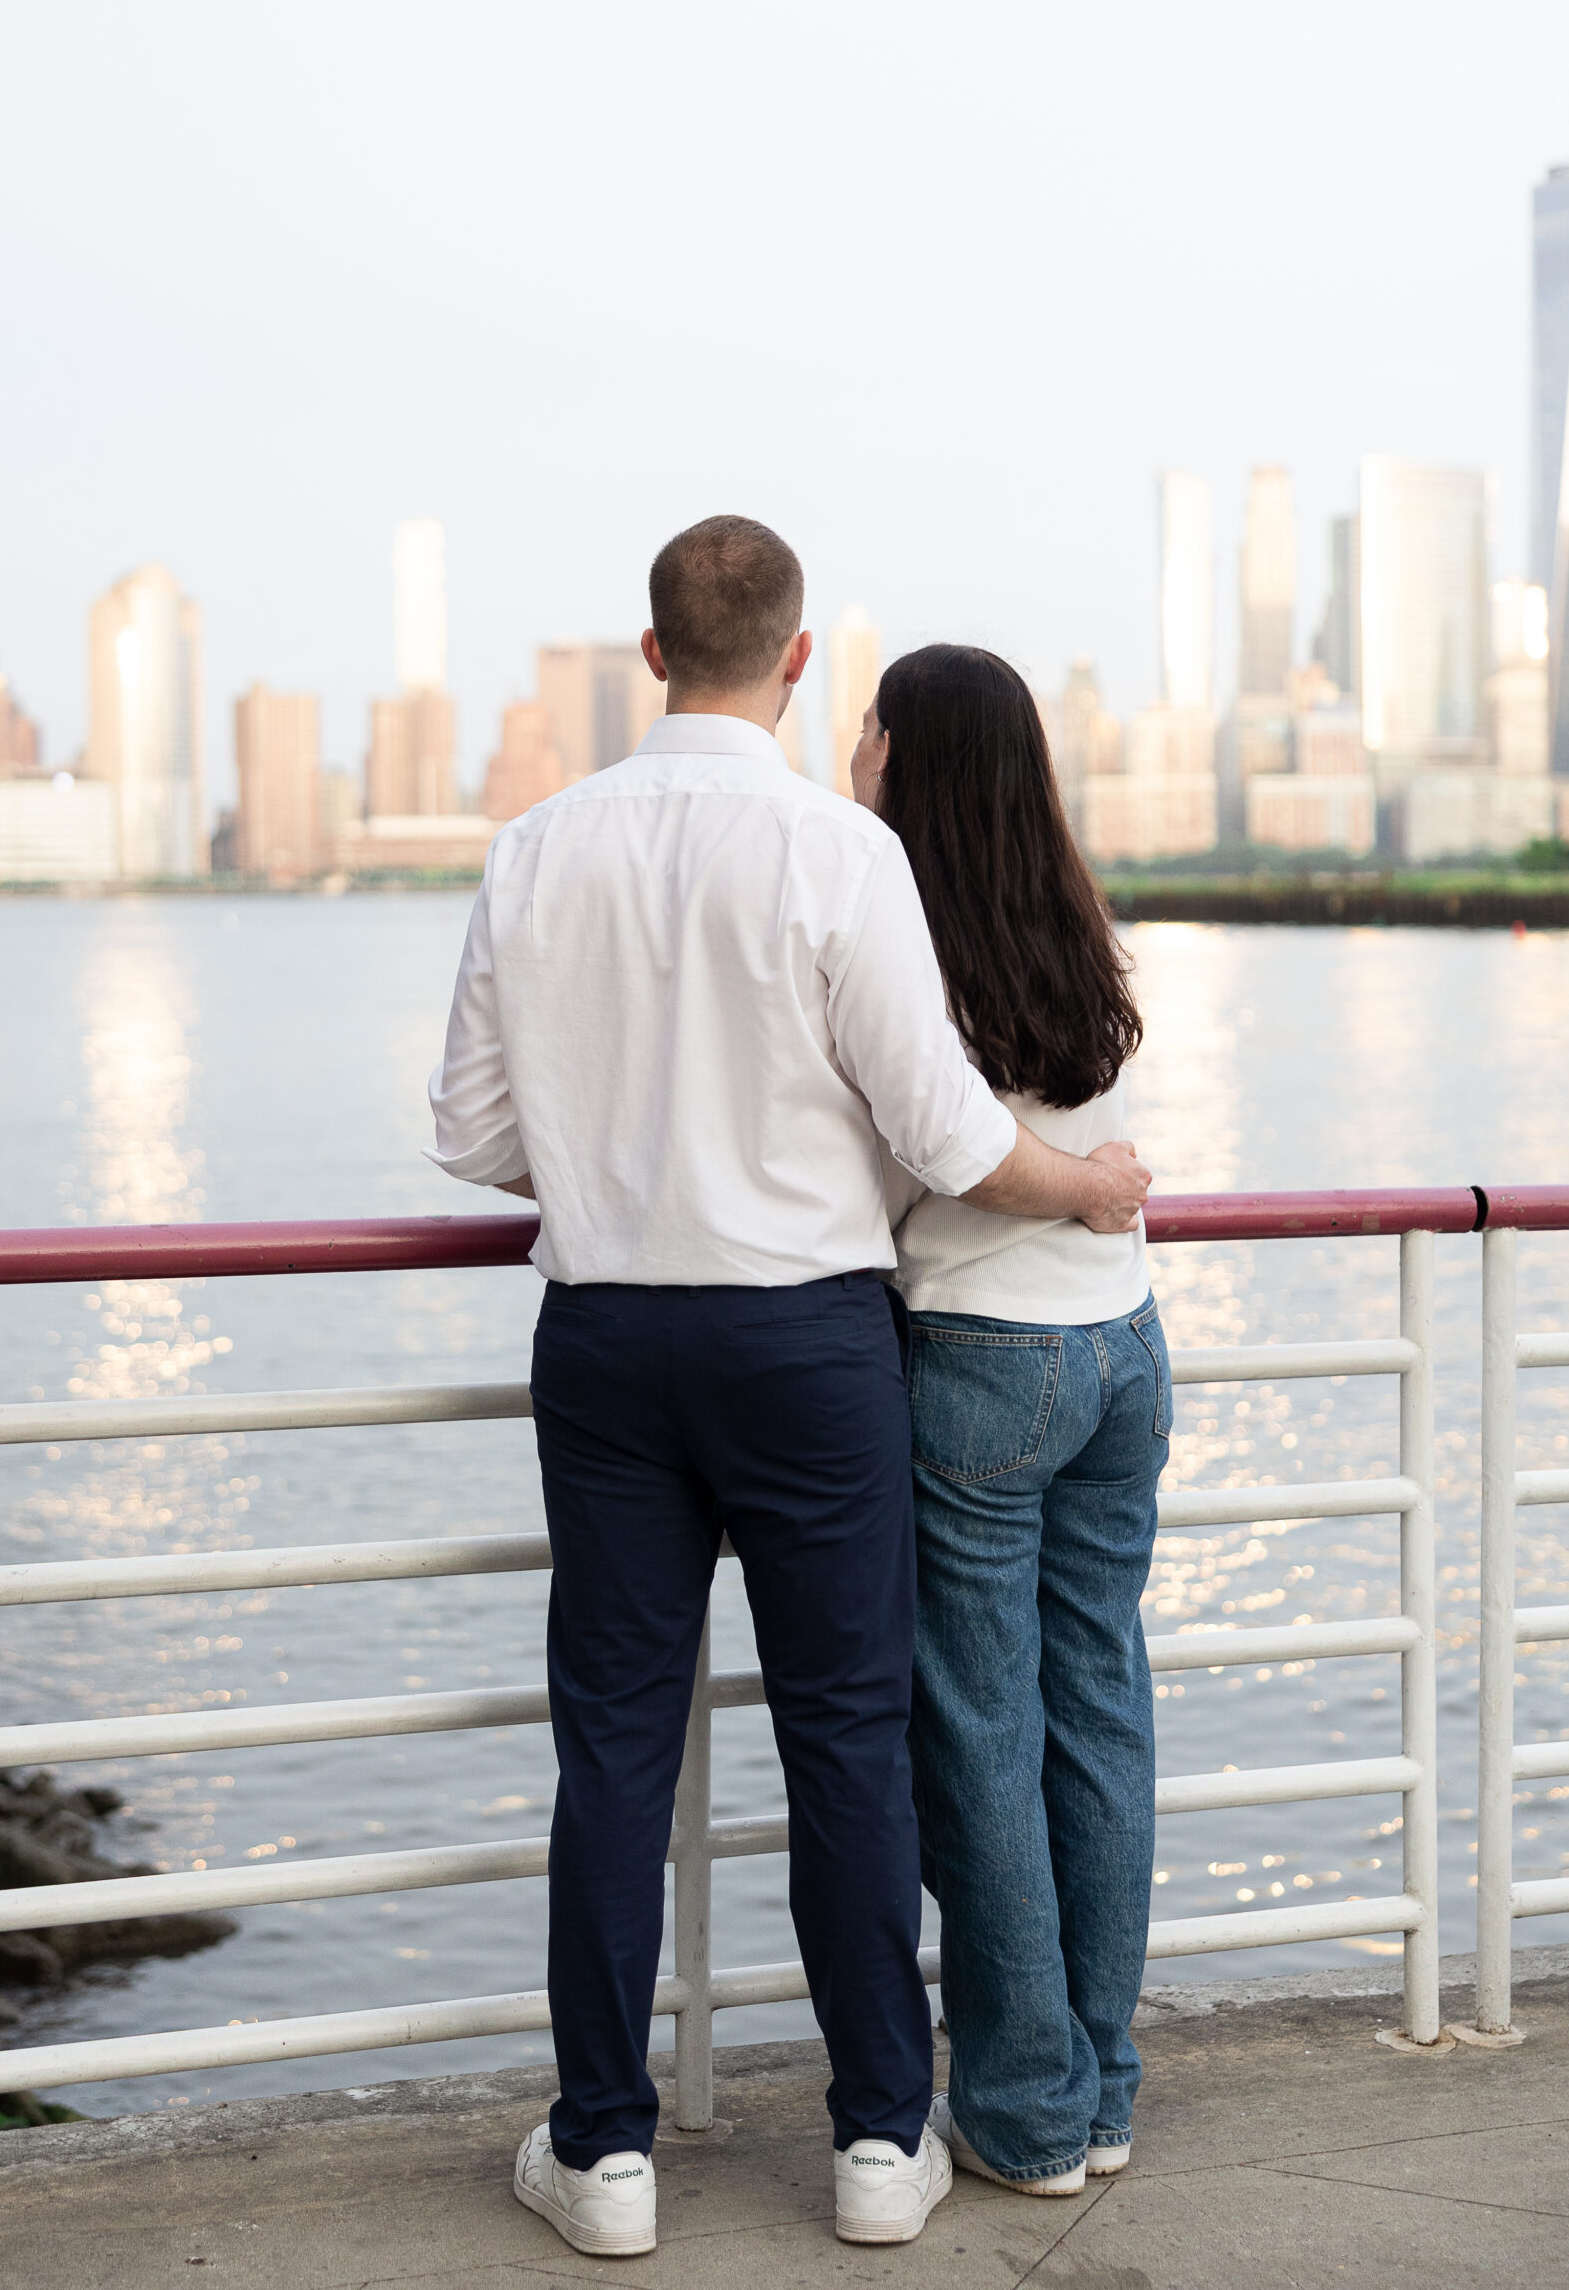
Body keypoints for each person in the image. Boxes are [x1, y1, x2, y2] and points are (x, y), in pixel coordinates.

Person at [428, 518, 1150, 2259]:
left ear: (653, 650)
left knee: (611, 1748)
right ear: (800, 658)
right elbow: (942, 1127)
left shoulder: (535, 849)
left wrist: (622, 1163)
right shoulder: (840, 854)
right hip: (814, 1346)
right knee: (849, 1742)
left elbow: (465, 1134)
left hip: (608, 1340)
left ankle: (603, 2156)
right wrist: (1086, 1183)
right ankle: (880, 2144)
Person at [850, 642, 1163, 2201]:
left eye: (868, 732)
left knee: (980, 1738)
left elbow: (943, 1150)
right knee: (1096, 1710)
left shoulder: (903, 929)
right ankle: (1102, 2092)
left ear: (908, 759)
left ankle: (1031, 2120)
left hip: (982, 1358)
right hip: (1121, 1350)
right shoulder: (1072, 916)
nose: (852, 750)